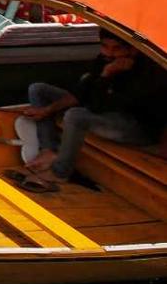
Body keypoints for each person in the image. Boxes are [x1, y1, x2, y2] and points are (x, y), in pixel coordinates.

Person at [17, 35, 167, 188]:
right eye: (105, 46)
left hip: (134, 127)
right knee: (38, 89)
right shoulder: (104, 59)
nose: (109, 53)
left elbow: (98, 106)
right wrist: (47, 110)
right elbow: (82, 94)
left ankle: (60, 172)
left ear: (133, 50)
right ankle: (48, 149)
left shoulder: (147, 73)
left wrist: (107, 74)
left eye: (116, 49)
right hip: (102, 108)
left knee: (76, 116)